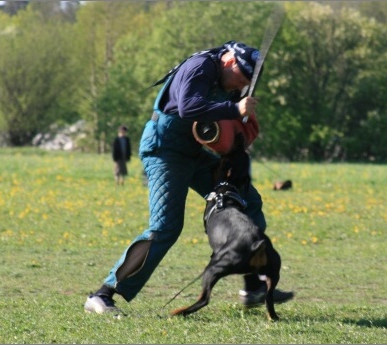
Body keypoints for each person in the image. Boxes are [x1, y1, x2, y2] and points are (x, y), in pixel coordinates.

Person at [84, 41, 294, 315]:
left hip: (193, 152)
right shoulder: (202, 66)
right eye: (239, 80)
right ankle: (102, 295)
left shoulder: (223, 74)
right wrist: (234, 110)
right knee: (165, 227)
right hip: (165, 150)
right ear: (230, 62)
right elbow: (189, 107)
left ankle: (253, 286)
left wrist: (239, 126)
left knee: (246, 199)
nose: (236, 88)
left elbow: (220, 114)